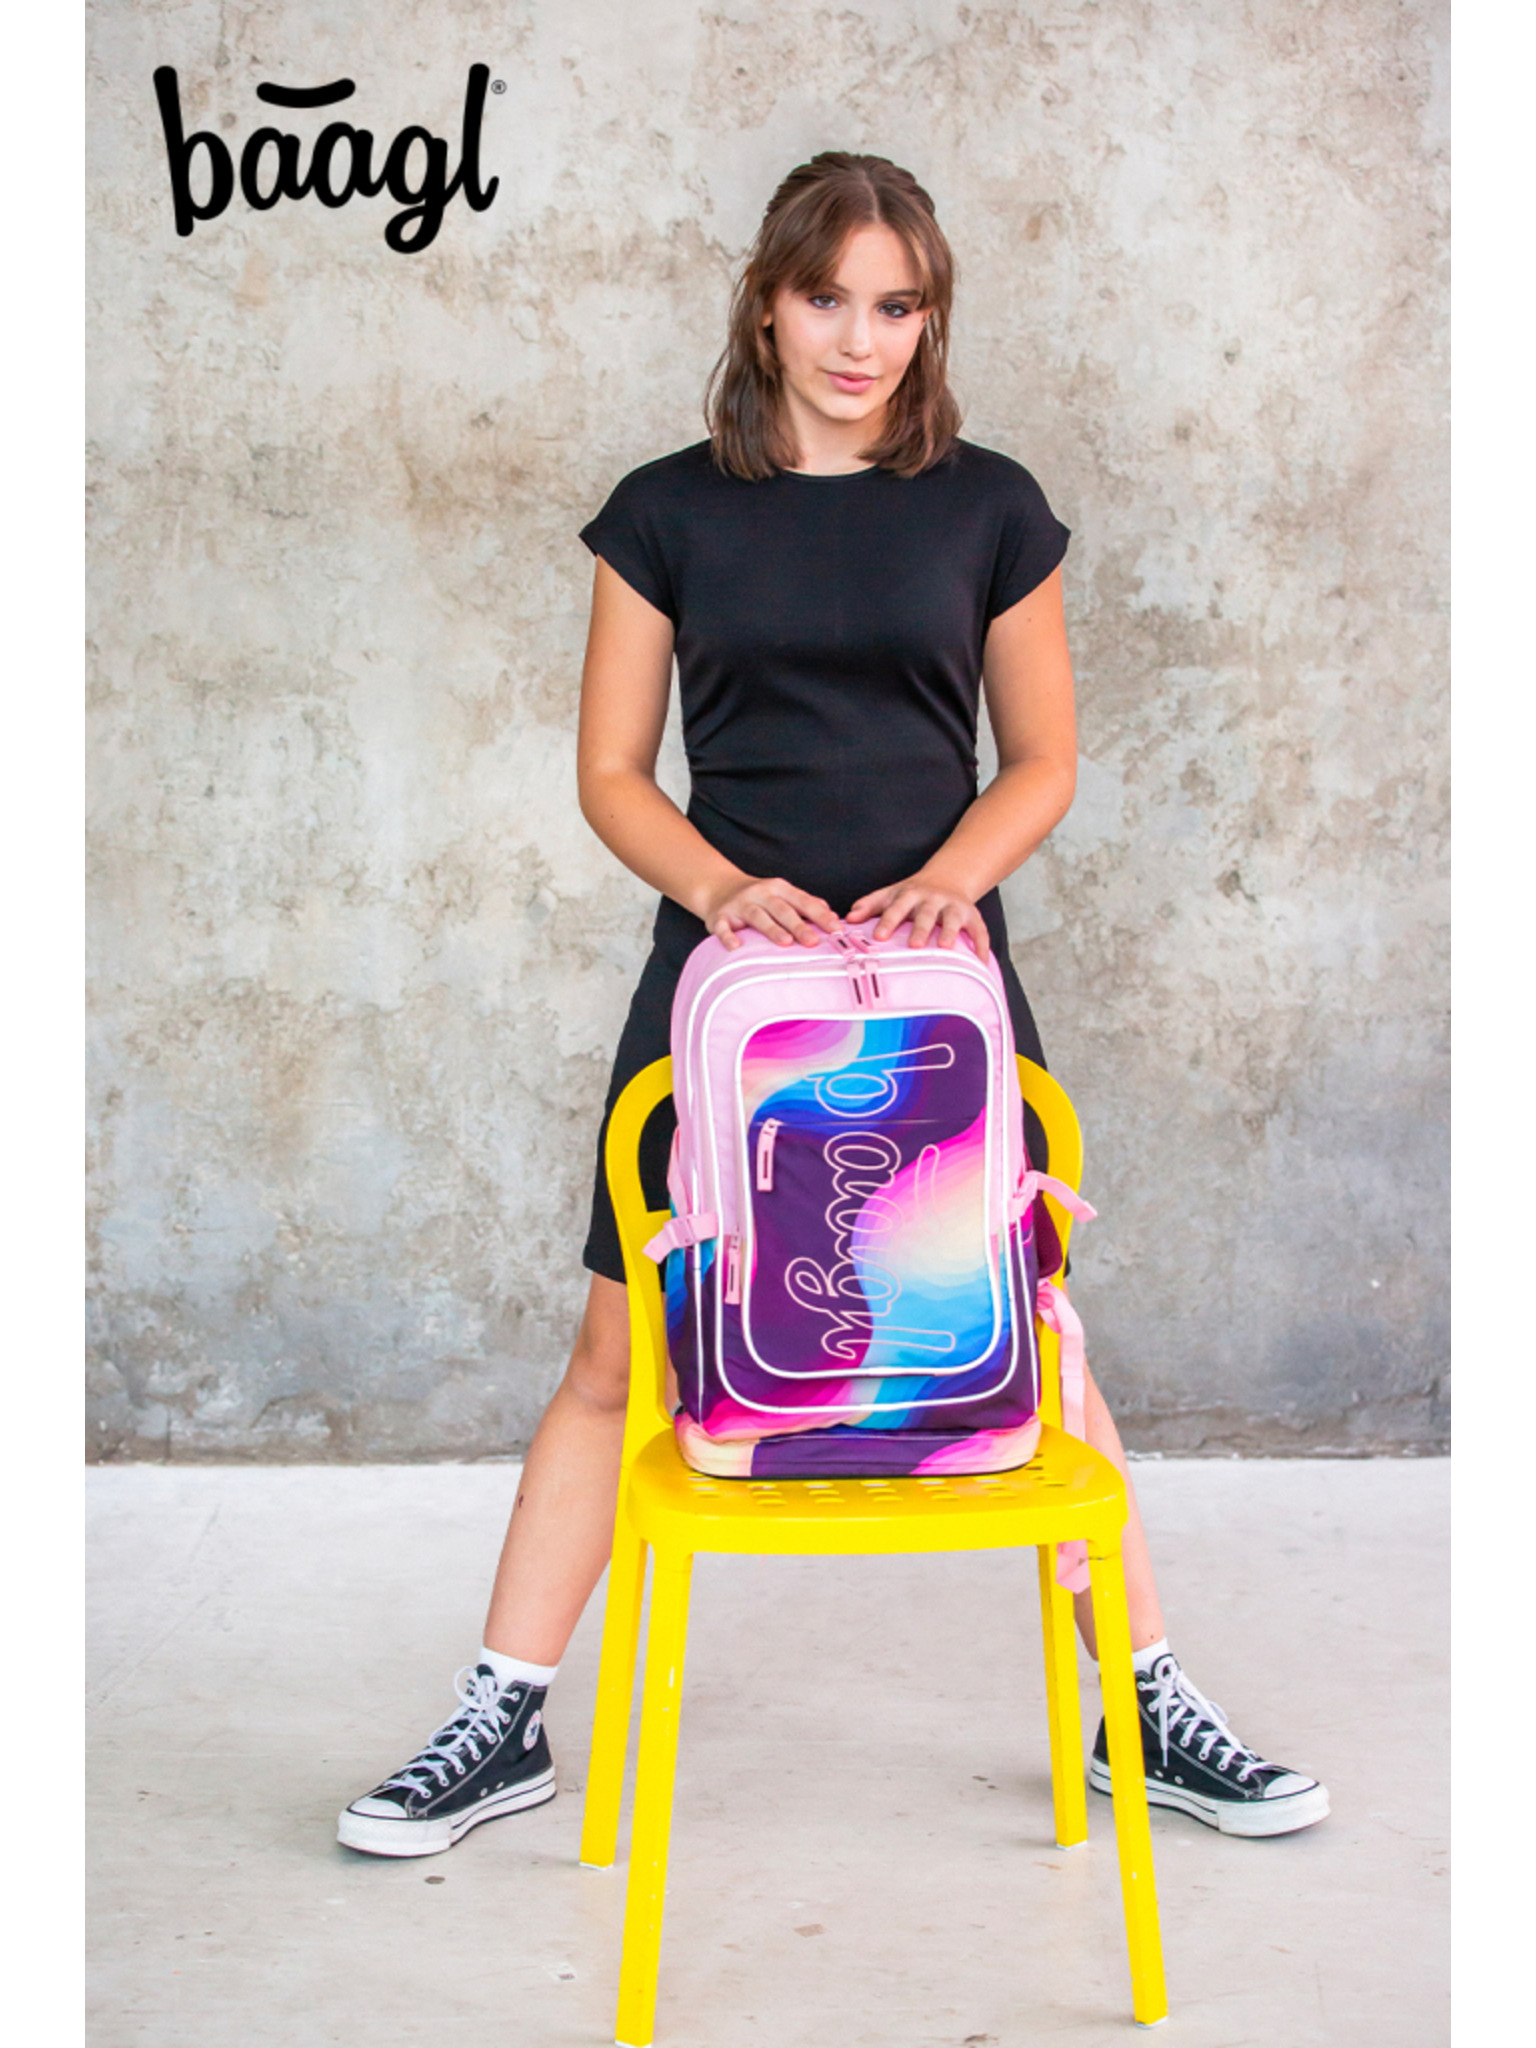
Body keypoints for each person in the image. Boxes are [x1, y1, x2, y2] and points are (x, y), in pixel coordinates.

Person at [338, 153, 1328, 1860]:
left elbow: (1044, 758)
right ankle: (497, 1717)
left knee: (1036, 1337)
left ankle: (1140, 1703)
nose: (859, 339)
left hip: (938, 991)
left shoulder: (990, 506)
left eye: (897, 305)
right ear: (767, 306)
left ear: (929, 319)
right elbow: (610, 770)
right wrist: (722, 891)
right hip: (725, 993)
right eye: (826, 299)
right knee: (618, 1350)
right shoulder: (664, 512)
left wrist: (953, 875)